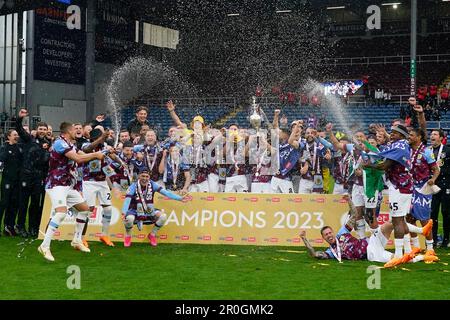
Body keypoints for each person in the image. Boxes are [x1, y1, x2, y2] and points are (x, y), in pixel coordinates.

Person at [38, 122, 105, 262]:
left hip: (67, 185)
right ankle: (44, 246)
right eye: (75, 129)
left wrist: (102, 153)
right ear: (68, 131)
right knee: (61, 213)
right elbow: (78, 159)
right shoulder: (59, 143)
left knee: (85, 210)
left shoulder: (71, 145)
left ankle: (76, 240)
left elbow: (83, 154)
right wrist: (96, 155)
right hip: (56, 184)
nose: (78, 131)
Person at [300, 196, 435, 263]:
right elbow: (314, 254)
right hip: (370, 254)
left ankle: (422, 230)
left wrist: (349, 200)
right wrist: (304, 238)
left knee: (391, 223)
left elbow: (354, 215)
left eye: (329, 232)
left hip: (371, 241)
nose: (329, 235)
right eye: (326, 235)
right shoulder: (331, 252)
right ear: (324, 238)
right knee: (397, 259)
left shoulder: (341, 233)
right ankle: (424, 257)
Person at [363, 124, 414, 267]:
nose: (391, 135)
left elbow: (384, 166)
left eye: (394, 133)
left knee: (397, 220)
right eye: (391, 132)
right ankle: (408, 251)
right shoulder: (402, 144)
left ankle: (398, 255)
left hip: (398, 187)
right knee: (402, 220)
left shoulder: (399, 147)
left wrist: (368, 166)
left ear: (401, 135)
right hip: (405, 186)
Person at [122, 167, 189, 247]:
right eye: (143, 176)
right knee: (129, 219)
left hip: (148, 210)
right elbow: (127, 199)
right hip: (135, 210)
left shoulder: (153, 184)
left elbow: (166, 193)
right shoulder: (134, 186)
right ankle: (128, 236)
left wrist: (180, 198)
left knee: (163, 216)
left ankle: (152, 235)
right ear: (139, 176)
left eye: (147, 176)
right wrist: (124, 212)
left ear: (149, 177)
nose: (145, 178)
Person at [15, 109, 50, 238]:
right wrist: (19, 118)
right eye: (40, 128)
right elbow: (19, 129)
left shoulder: (49, 143)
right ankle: (20, 227)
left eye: (44, 129)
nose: (42, 131)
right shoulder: (29, 139)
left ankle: (33, 228)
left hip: (39, 178)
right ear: (36, 130)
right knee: (23, 203)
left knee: (35, 203)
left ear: (47, 131)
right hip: (26, 175)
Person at [81, 128, 117, 247]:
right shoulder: (86, 145)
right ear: (93, 138)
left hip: (102, 181)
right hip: (89, 182)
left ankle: (104, 235)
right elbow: (88, 149)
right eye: (100, 138)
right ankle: (81, 237)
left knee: (108, 209)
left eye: (103, 138)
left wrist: (113, 154)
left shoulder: (105, 145)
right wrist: (102, 138)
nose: (102, 140)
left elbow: (113, 158)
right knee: (87, 210)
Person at [407, 128, 440, 257]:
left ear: (419, 137)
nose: (409, 137)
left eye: (411, 135)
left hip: (423, 188)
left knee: (424, 219)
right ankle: (416, 246)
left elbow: (436, 169)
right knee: (409, 217)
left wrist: (433, 179)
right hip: (409, 187)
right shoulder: (407, 150)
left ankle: (430, 247)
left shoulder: (426, 152)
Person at [429, 129, 450, 247]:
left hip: (446, 184)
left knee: (446, 212)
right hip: (432, 185)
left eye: (435, 134)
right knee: (433, 213)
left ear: (441, 138)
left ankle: (446, 239)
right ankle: (434, 239)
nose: (432, 136)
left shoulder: (447, 150)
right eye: (431, 134)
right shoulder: (427, 151)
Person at [0, 129, 22, 236]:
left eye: (17, 135)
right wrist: (6, 147)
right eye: (14, 135)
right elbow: (2, 158)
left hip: (17, 181)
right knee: (4, 203)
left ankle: (9, 226)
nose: (17, 136)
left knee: (14, 204)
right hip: (7, 180)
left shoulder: (19, 148)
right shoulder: (4, 147)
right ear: (8, 137)